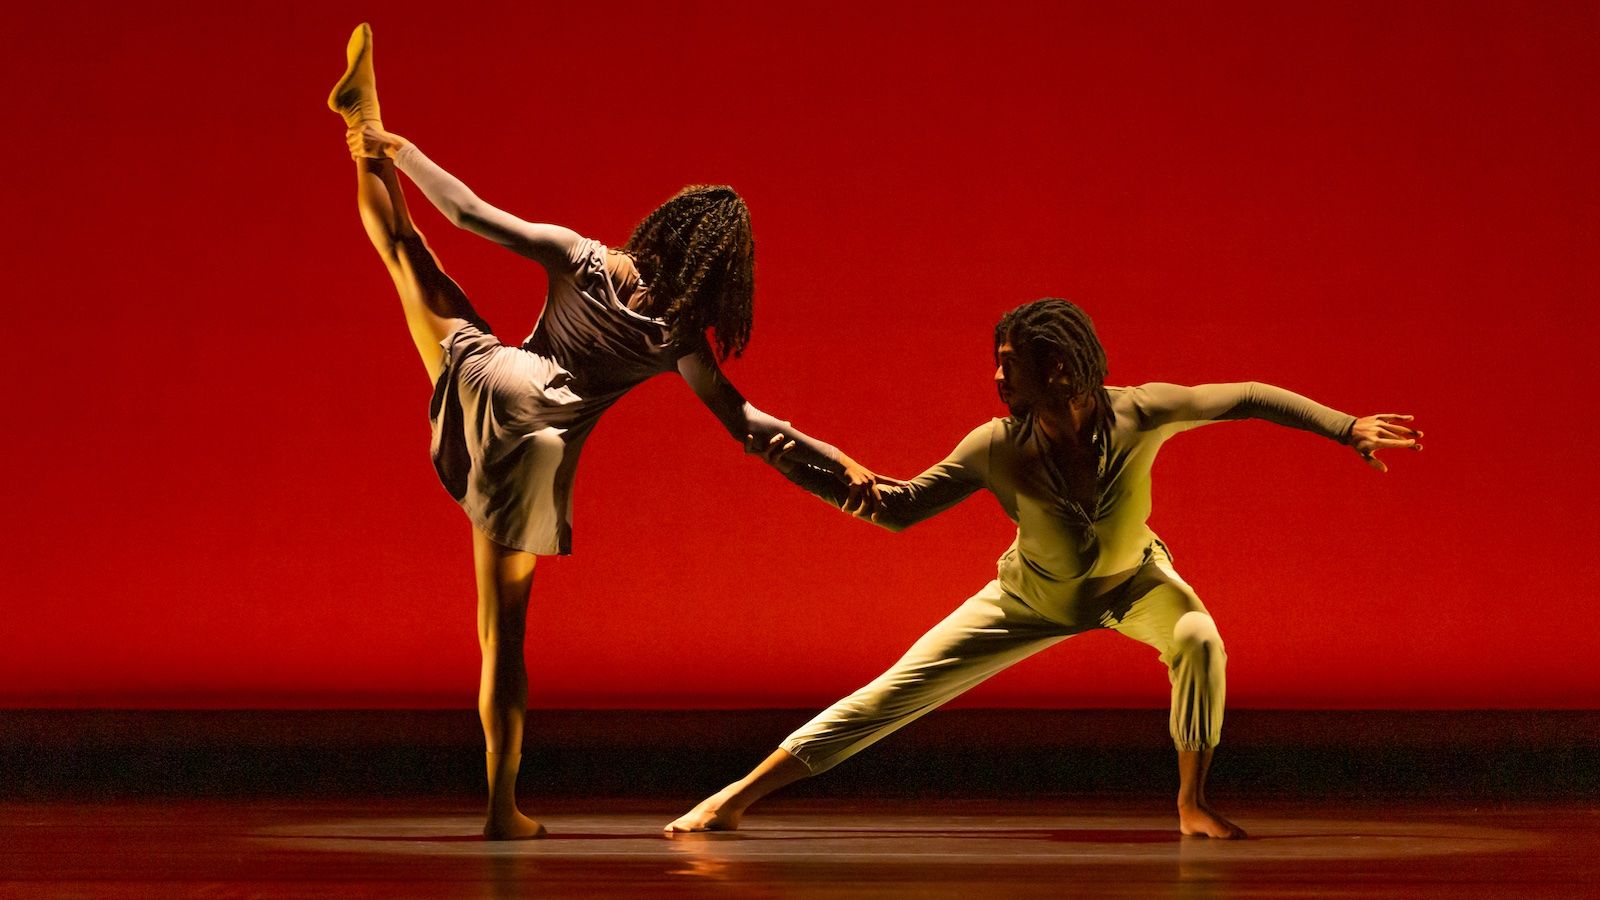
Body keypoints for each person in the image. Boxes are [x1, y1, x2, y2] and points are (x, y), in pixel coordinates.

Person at [327, 23, 885, 840]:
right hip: (543, 442)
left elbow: (468, 213)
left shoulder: (583, 257)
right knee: (502, 637)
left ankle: (361, 130)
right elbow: (751, 427)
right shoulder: (679, 338)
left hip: (492, 376)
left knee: (408, 255)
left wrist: (402, 150)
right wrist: (838, 466)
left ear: (665, 227)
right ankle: (498, 810)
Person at [665, 298, 1423, 839]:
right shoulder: (995, 445)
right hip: (1027, 599)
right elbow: (897, 510)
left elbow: (1249, 397)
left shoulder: (1140, 412)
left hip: (1134, 586)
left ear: (1056, 368)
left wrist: (1346, 427)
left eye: (1008, 367)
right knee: (891, 694)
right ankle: (737, 795)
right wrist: (810, 462)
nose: (997, 381)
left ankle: (1192, 804)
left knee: (1199, 640)